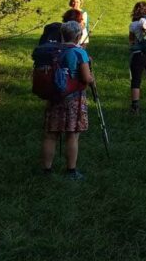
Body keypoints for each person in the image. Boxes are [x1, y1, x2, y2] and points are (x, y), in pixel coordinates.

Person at [41, 21, 94, 180]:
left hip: (55, 96)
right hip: (74, 98)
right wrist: (92, 78)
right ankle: (71, 170)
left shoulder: (53, 50)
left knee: (51, 134)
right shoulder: (79, 53)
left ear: (62, 34)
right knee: (72, 134)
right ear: (78, 36)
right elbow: (86, 77)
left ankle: (46, 170)